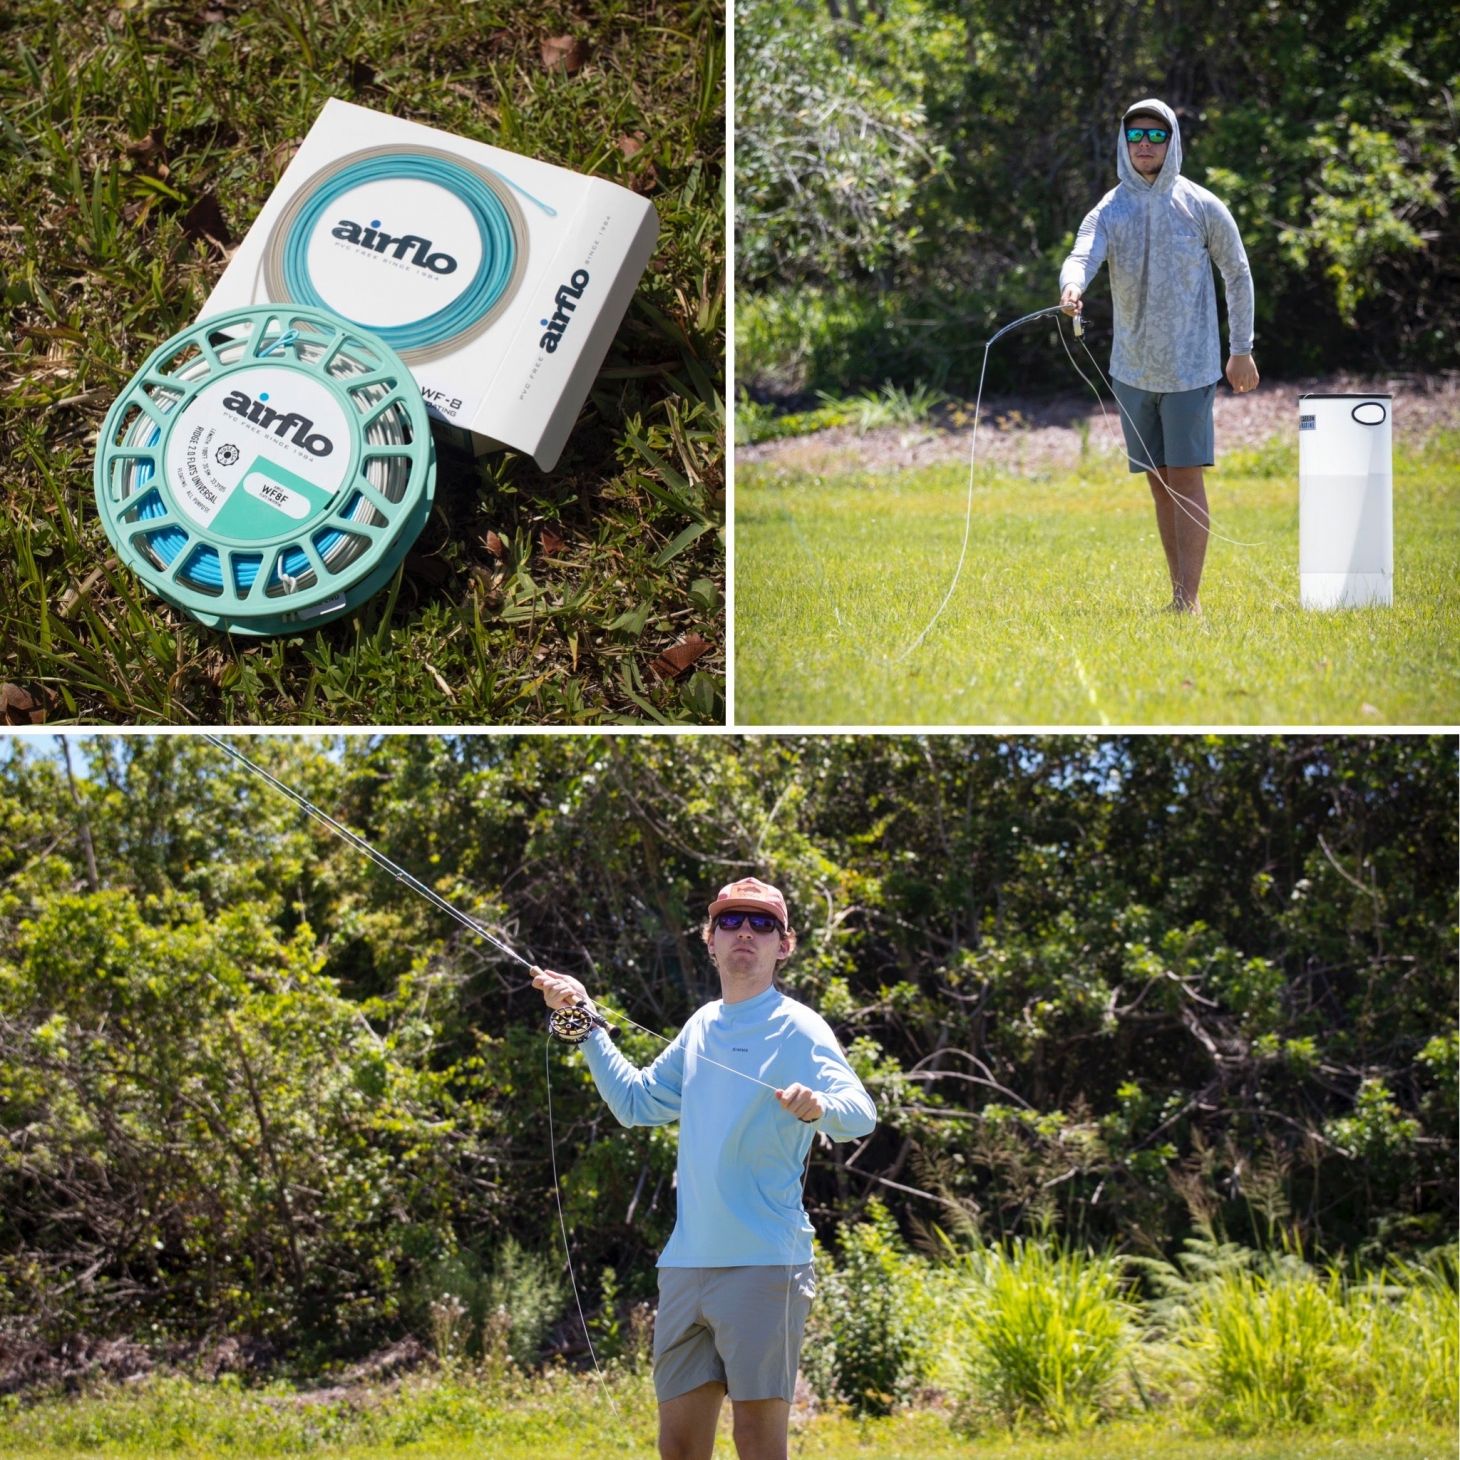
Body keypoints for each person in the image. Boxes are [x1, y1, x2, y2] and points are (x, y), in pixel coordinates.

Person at [532, 876, 877, 1460]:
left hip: (766, 1266)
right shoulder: (700, 1025)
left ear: (783, 945)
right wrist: (584, 1020)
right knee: (680, 1449)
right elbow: (636, 1103)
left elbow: (861, 1114)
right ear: (710, 940)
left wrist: (820, 1106)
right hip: (686, 1267)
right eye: (732, 922)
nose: (746, 932)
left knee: (757, 1446)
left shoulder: (800, 1027)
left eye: (763, 923)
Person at [1059, 97, 1259, 613]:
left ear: (1172, 140)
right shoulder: (1110, 208)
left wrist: (1242, 350)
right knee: (1158, 484)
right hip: (1132, 370)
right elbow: (1082, 253)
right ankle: (1177, 595)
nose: (1145, 146)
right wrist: (1071, 286)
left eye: (1155, 136)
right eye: (1135, 137)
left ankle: (1188, 602)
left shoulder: (1202, 205)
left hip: (1190, 367)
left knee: (1185, 479)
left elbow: (1237, 274)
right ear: (1124, 144)